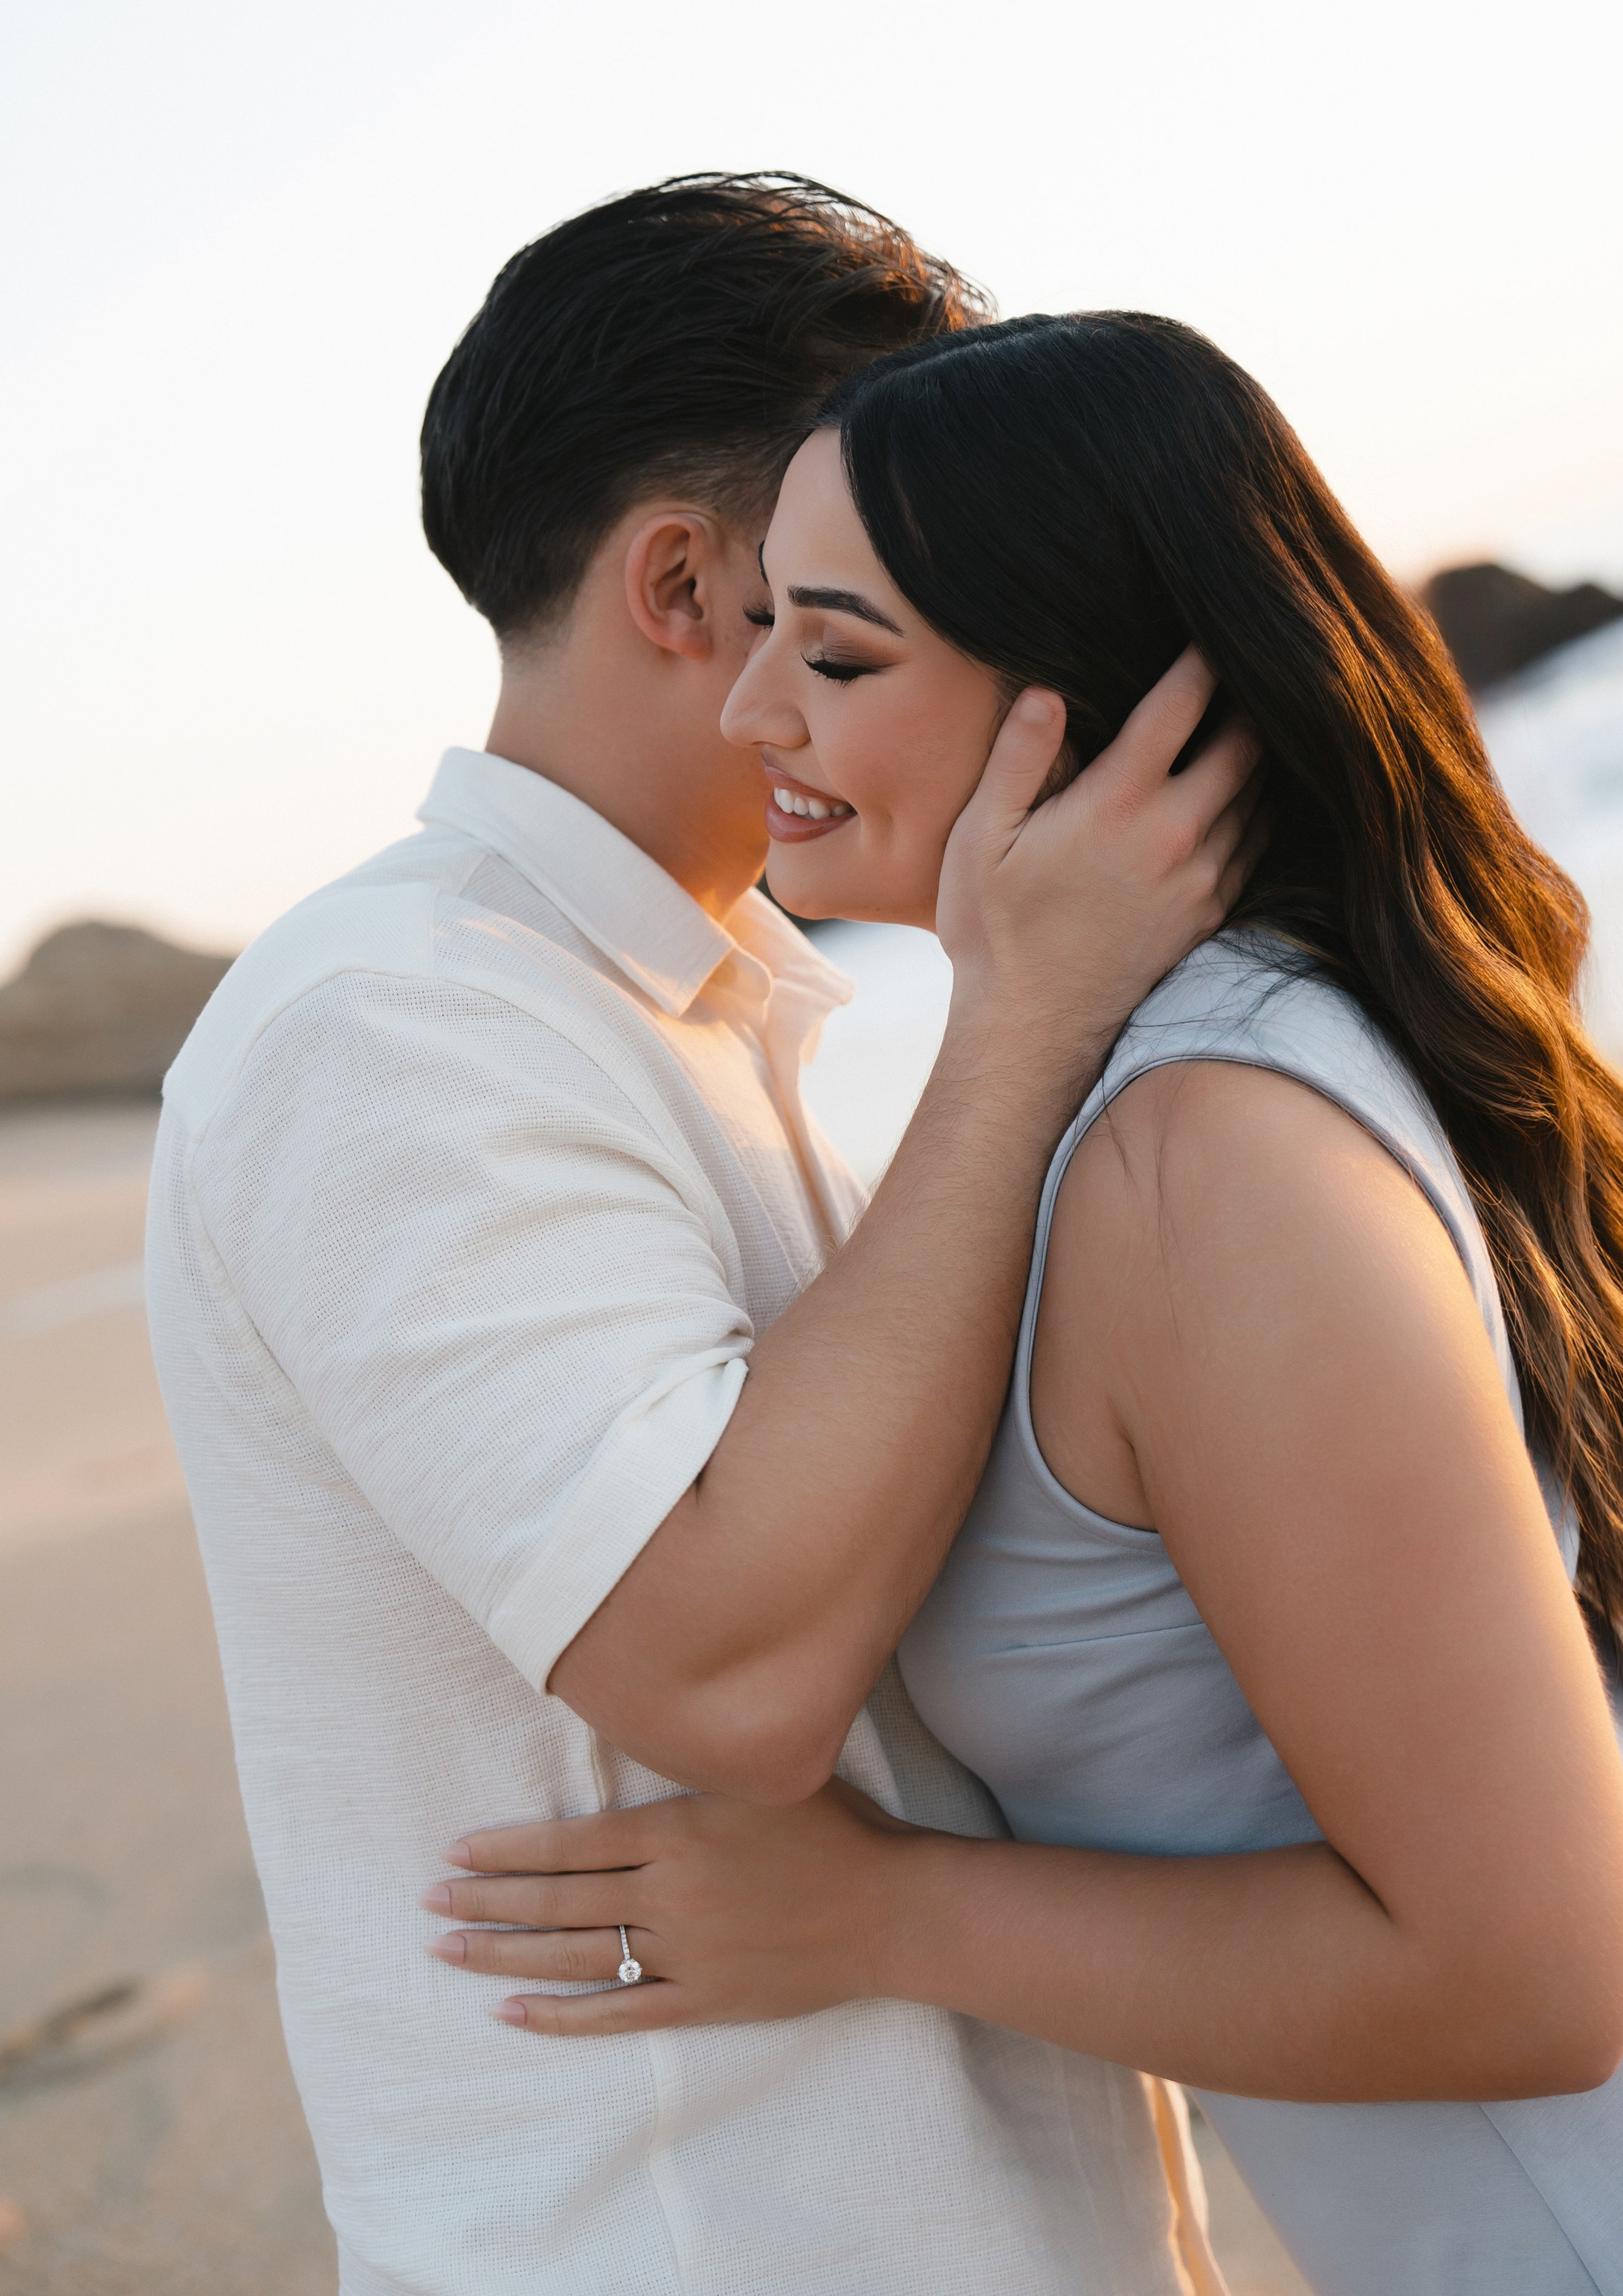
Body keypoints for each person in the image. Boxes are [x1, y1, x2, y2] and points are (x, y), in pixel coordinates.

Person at [436, 311, 1623, 2296]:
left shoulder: (1199, 1151)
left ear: (1104, 706)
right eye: (765, 623)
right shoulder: (1171, 1070)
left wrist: (880, 1918)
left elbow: (1532, 1976)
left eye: (841, 653)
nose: (750, 708)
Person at [145, 195, 1259, 2296]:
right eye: (892, 557)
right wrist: (1025, 1024)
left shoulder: (653, 1006)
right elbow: (725, 1659)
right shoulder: (391, 1027)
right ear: (685, 583)